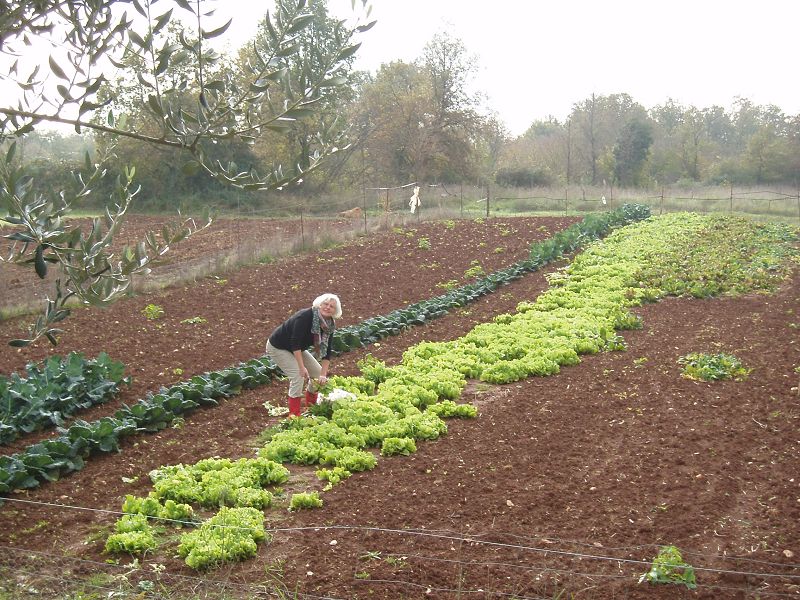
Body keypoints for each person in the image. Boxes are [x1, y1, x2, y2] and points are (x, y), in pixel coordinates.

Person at [265, 293, 342, 416]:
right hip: (278, 346)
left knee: (317, 375)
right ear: (319, 304)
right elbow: (295, 342)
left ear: (335, 311)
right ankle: (294, 416)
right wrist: (302, 368)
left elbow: (327, 351)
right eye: (325, 304)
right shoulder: (305, 316)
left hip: (297, 348)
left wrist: (323, 374)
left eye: (332, 306)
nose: (327, 307)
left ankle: (310, 407)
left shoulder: (329, 326)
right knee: (297, 375)